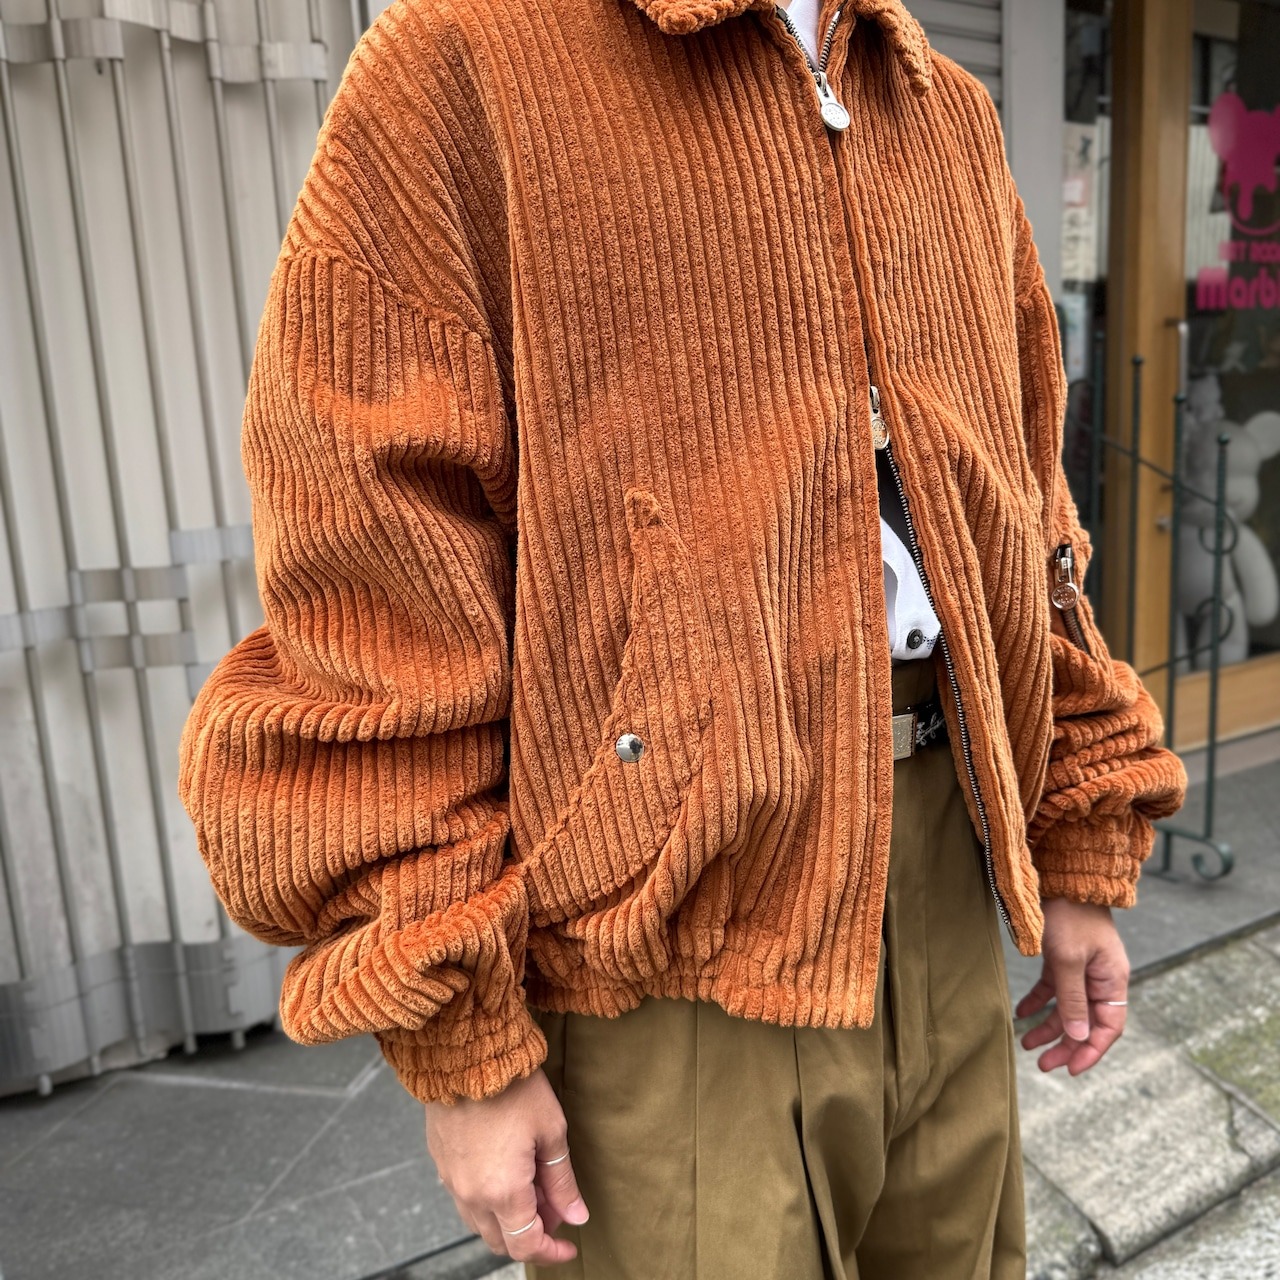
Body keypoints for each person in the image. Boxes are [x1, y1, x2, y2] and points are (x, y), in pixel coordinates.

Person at [176, 0, 1189, 1275]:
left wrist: (1078, 832)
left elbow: (1023, 498)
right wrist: (457, 1031)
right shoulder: (465, 60)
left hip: (947, 859)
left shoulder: (939, 108)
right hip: (667, 931)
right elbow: (371, 570)